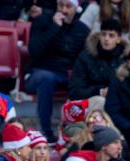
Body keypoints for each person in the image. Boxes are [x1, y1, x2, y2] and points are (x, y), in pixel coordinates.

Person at [26, 0, 89, 140]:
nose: (64, 10)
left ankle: (74, 134)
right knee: (46, 78)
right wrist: (54, 27)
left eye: (68, 6)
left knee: (83, 81)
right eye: (61, 5)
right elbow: (34, 51)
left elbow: (85, 60)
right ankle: (45, 132)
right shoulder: (42, 21)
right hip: (40, 73)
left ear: (76, 8)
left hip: (68, 75)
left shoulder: (83, 30)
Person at [68, 19, 130, 101]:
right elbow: (74, 91)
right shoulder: (85, 57)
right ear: (99, 36)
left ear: (118, 39)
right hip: (91, 102)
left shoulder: (128, 58)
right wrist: (99, 91)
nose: (106, 39)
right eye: (103, 34)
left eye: (111, 35)